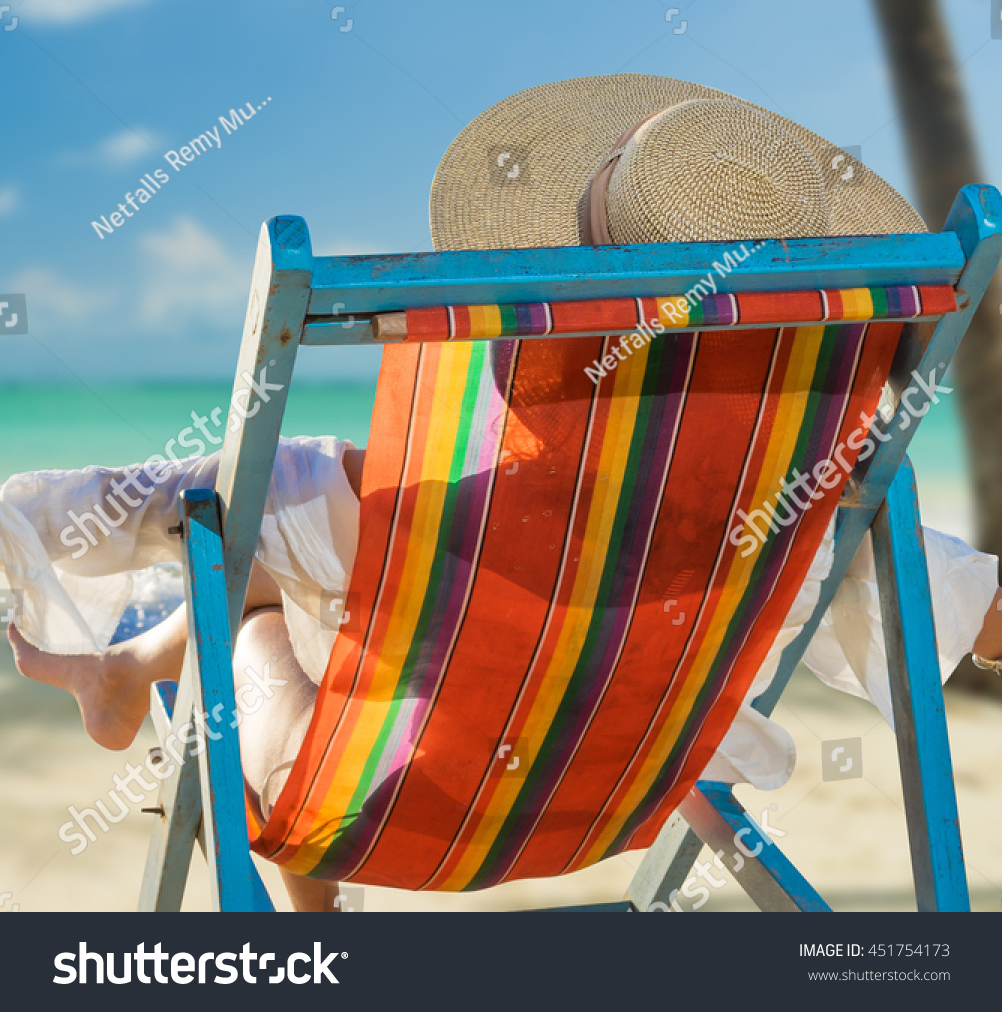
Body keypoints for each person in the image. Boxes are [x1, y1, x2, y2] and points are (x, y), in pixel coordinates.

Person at [4, 74, 1002, 914]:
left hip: (384, 814)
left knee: (252, 575)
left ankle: (180, 736)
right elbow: (985, 617)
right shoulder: (806, 524)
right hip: (622, 803)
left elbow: (152, 503)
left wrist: (32, 522)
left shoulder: (434, 488)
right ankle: (130, 669)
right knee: (298, 561)